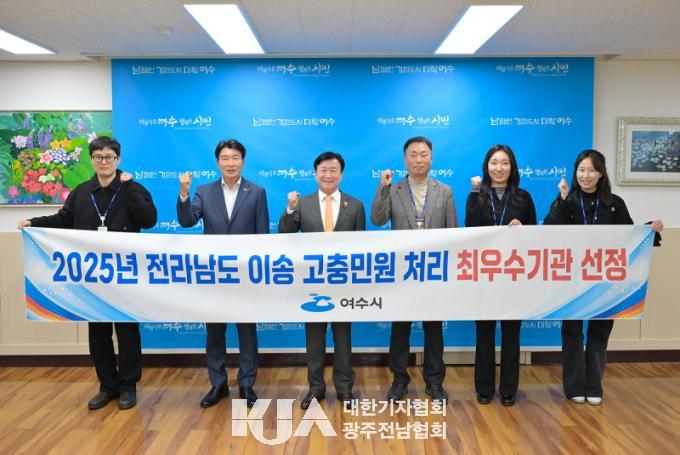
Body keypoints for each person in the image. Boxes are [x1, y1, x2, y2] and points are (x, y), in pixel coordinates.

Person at [18, 136, 157, 411]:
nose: (104, 162)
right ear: (91, 160)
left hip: (125, 275)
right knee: (98, 333)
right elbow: (63, 219)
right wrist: (34, 222)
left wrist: (129, 188)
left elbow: (149, 220)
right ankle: (107, 386)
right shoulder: (82, 192)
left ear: (118, 159)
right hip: (92, 277)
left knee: (128, 332)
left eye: (109, 157)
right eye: (98, 157)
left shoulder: (132, 187)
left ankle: (128, 386)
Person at [544, 149, 663, 405]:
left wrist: (650, 229)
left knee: (599, 334)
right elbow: (549, 230)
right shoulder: (568, 199)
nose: (585, 175)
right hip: (571, 280)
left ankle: (594, 386)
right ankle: (574, 386)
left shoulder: (614, 202)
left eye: (591, 170)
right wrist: (561, 199)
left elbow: (630, 234)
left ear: (601, 174)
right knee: (572, 333)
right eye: (581, 170)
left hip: (604, 280)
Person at [177, 139, 269, 408]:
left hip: (246, 276)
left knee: (247, 333)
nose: (230, 163)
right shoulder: (204, 191)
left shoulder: (257, 192)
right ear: (218, 162)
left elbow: (263, 236)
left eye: (235, 158)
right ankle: (218, 384)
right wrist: (184, 193)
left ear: (243, 161)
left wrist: (259, 275)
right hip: (214, 275)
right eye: (225, 158)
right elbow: (187, 221)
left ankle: (247, 384)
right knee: (214, 333)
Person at [370, 136, 457, 402]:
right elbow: (378, 219)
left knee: (434, 330)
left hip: (433, 272)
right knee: (400, 331)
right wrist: (383, 187)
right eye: (413, 154)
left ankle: (434, 382)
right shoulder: (394, 189)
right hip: (402, 272)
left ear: (431, 158)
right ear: (405, 159)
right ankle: (399, 381)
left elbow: (453, 232)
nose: (419, 159)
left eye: (423, 154)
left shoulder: (445, 191)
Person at [278, 151, 365, 410]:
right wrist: (290, 209)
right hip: (312, 284)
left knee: (343, 340)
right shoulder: (302, 204)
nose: (328, 175)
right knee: (314, 340)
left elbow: (362, 246)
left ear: (341, 174)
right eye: (323, 170)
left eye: (333, 170)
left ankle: (344, 388)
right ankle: (315, 389)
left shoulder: (355, 205)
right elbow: (284, 235)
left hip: (343, 283)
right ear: (315, 174)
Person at [466, 144, 536, 407]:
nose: (499, 168)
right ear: (487, 167)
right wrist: (475, 193)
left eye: (505, 163)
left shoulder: (523, 197)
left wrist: (523, 229)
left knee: (511, 335)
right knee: (484, 334)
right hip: (484, 277)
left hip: (513, 276)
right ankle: (484, 387)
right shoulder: (476, 195)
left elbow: (535, 237)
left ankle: (509, 388)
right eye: (494, 163)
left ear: (512, 167)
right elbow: (470, 229)